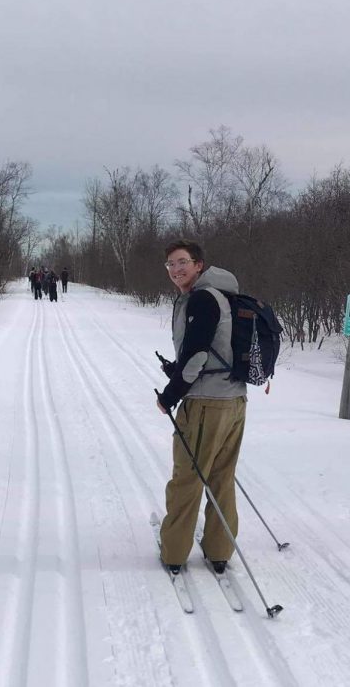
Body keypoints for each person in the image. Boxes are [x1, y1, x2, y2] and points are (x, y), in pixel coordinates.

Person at [156, 240, 247, 575]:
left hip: (206, 403)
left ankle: (174, 553)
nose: (176, 269)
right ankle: (219, 550)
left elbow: (196, 356)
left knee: (188, 478)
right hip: (234, 401)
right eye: (170, 264)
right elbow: (209, 350)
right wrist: (177, 369)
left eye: (182, 262)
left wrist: (170, 394)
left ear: (199, 265)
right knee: (221, 477)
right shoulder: (223, 295)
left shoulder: (203, 298)